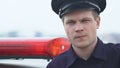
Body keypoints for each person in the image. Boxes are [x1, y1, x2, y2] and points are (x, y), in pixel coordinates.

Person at [47, 0, 120, 68]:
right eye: (71, 22)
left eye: (85, 20)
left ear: (97, 22)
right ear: (64, 25)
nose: (78, 28)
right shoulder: (56, 66)